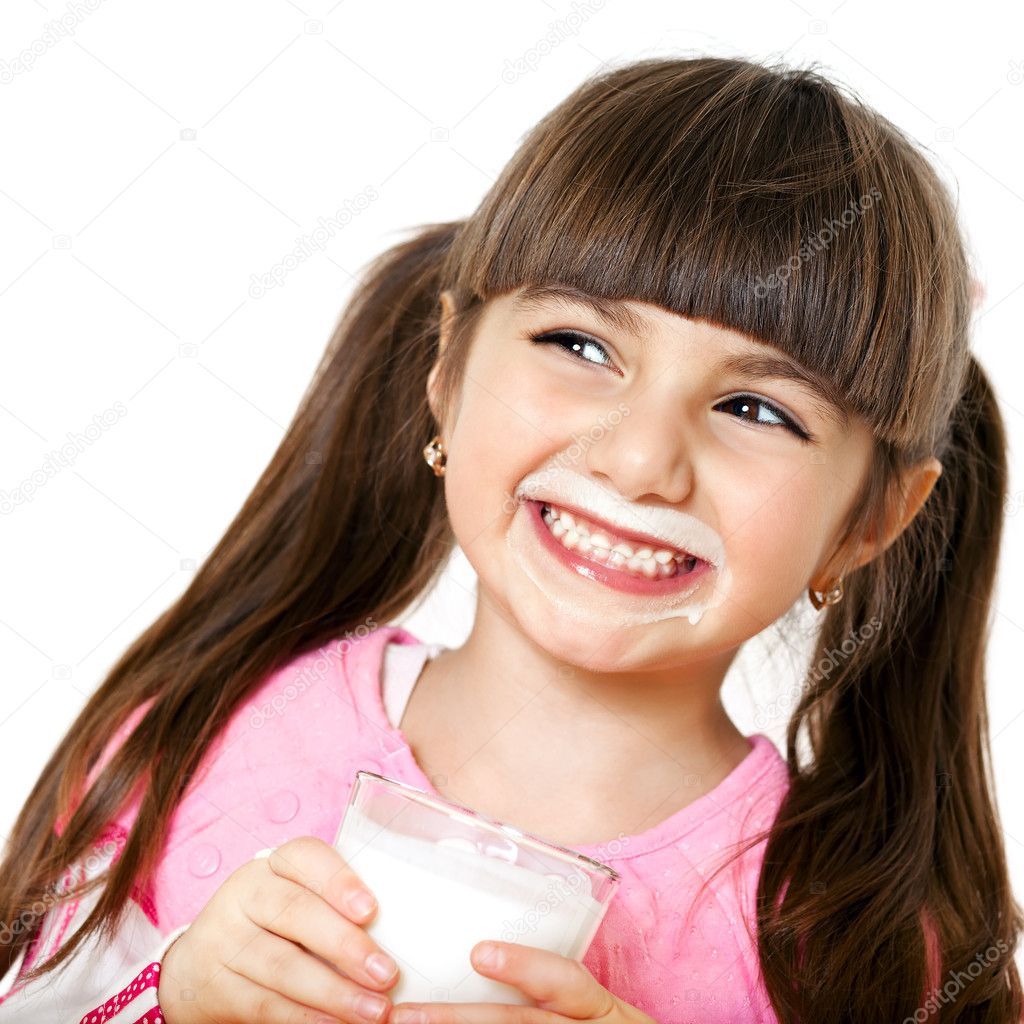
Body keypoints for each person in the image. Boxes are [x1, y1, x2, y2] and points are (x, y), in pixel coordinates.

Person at [1, 54, 1021, 1024]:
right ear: (446, 368)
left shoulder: (862, 941)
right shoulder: (203, 736)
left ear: (869, 521)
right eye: (579, 345)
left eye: (757, 409)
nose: (638, 463)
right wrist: (171, 993)